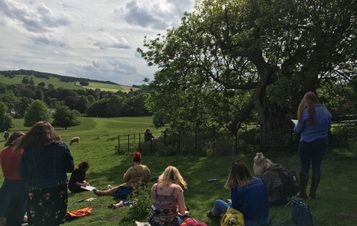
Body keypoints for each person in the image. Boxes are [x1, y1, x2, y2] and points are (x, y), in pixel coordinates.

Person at [18, 121, 74, 226]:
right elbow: (70, 168)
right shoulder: (61, 147)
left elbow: (23, 173)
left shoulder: (28, 151)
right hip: (57, 189)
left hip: (35, 191)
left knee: (37, 221)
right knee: (54, 221)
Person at [208, 159, 269, 226]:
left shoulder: (237, 188)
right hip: (265, 220)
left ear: (233, 173)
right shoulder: (259, 181)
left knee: (218, 203)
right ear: (246, 170)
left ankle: (213, 214)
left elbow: (234, 209)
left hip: (248, 222)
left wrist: (231, 204)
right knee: (230, 202)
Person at [294, 91, 331, 199]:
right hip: (322, 142)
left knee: (304, 167)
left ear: (306, 101)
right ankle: (313, 193)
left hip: (306, 143)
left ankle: (303, 193)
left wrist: (296, 125)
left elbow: (298, 129)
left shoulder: (306, 112)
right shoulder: (325, 111)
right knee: (317, 166)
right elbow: (328, 127)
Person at [0, 132, 26, 226]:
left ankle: (3, 219)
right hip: (20, 181)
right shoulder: (21, 152)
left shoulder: (4, 151)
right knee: (20, 204)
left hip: (8, 180)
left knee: (5, 202)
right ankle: (19, 218)